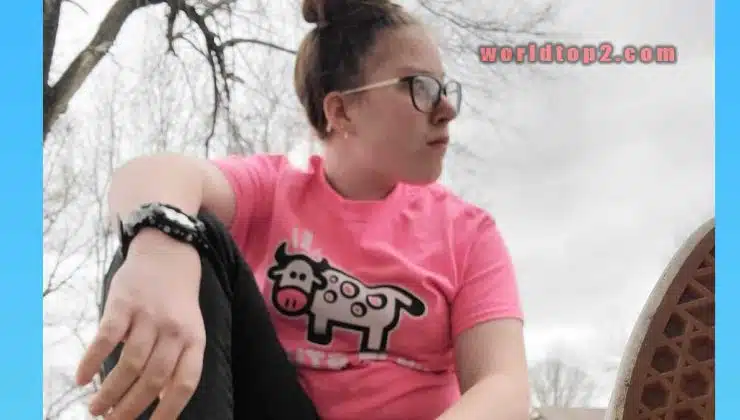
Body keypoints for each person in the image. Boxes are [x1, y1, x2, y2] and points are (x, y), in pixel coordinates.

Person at [73, 0, 530, 418]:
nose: (446, 108)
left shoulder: (467, 232)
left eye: (444, 89)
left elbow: (503, 386)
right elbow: (156, 173)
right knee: (175, 230)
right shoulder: (273, 193)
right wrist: (158, 252)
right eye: (420, 87)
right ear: (342, 112)